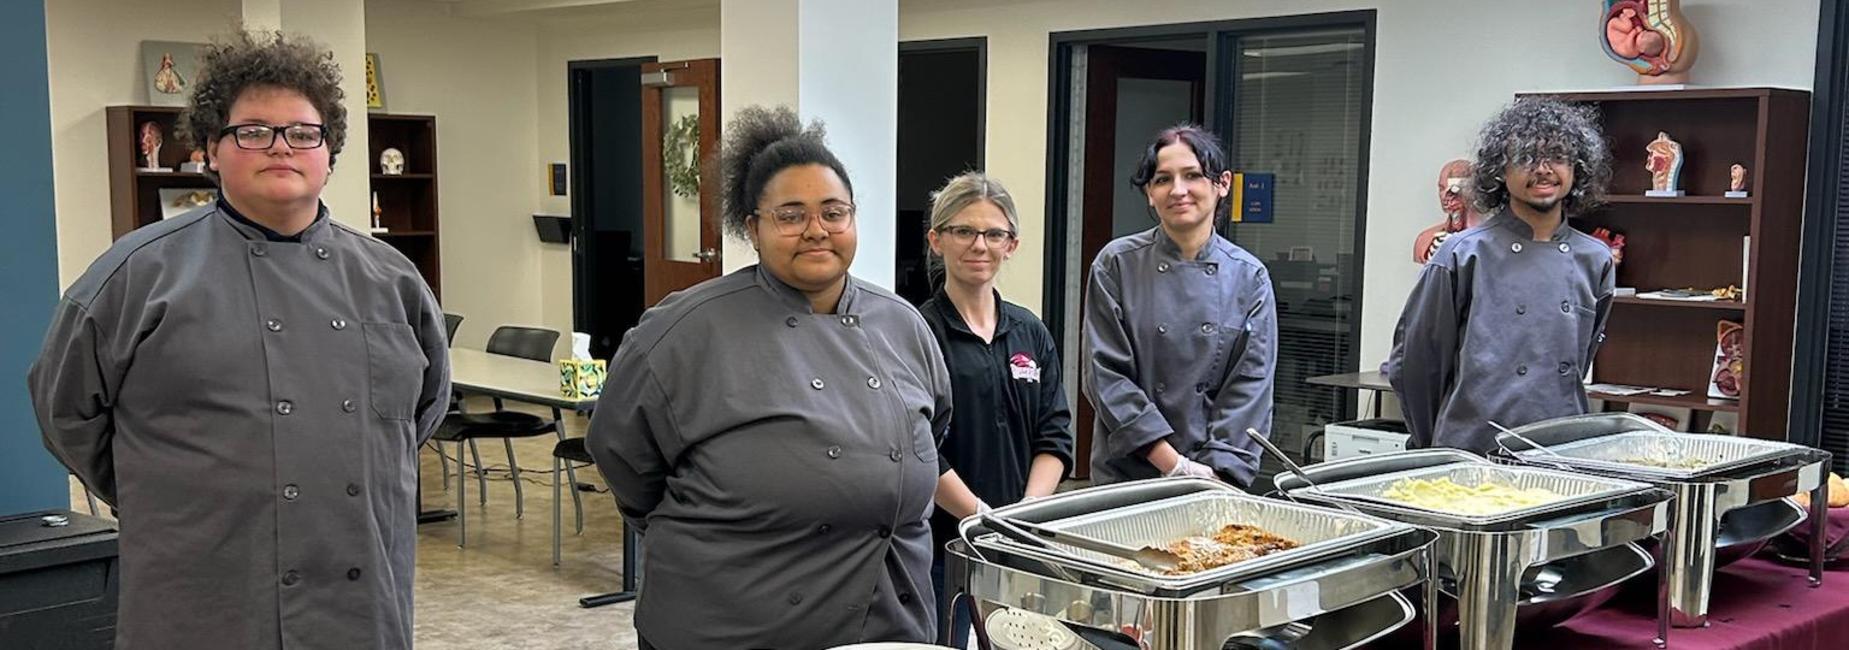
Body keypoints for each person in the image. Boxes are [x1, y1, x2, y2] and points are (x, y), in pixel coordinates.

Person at [28, 30, 449, 649]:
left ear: (329, 152)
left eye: (303, 133)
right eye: (253, 131)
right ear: (210, 147)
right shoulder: (138, 276)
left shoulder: (393, 279)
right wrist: (167, 492)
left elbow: (423, 410)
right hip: (204, 594)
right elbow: (65, 411)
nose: (281, 147)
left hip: (359, 602)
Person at [586, 105, 953, 648]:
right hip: (728, 625)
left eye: (834, 212)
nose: (816, 230)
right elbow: (623, 459)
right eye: (790, 215)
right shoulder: (682, 332)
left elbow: (935, 430)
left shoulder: (904, 326)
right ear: (752, 228)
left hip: (885, 624)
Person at [1383, 98, 1616, 452]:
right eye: (1525, 157)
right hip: (1472, 448)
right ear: (1499, 171)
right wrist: (1438, 445)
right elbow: (1416, 365)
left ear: (1577, 167)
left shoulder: (1595, 259)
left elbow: (1580, 360)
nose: (1543, 169)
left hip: (1562, 448)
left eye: (1557, 155)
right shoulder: (1462, 254)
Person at [918, 172, 1074, 646]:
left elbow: (1056, 433)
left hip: (1021, 539)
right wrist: (980, 519)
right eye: (964, 231)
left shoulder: (1030, 331)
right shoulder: (916, 332)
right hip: (945, 545)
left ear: (1012, 244)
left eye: (994, 233)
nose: (979, 245)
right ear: (937, 239)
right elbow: (917, 446)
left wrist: (1026, 514)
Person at [1083, 124, 1278, 488]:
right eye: (1162, 179)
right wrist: (1172, 464)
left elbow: (1250, 386)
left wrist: (1215, 474)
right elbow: (1105, 375)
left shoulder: (1250, 278)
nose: (1178, 190)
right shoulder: (1117, 264)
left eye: (1192, 176)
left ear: (1222, 184)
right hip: (1129, 473)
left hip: (1216, 476)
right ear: (1149, 194)